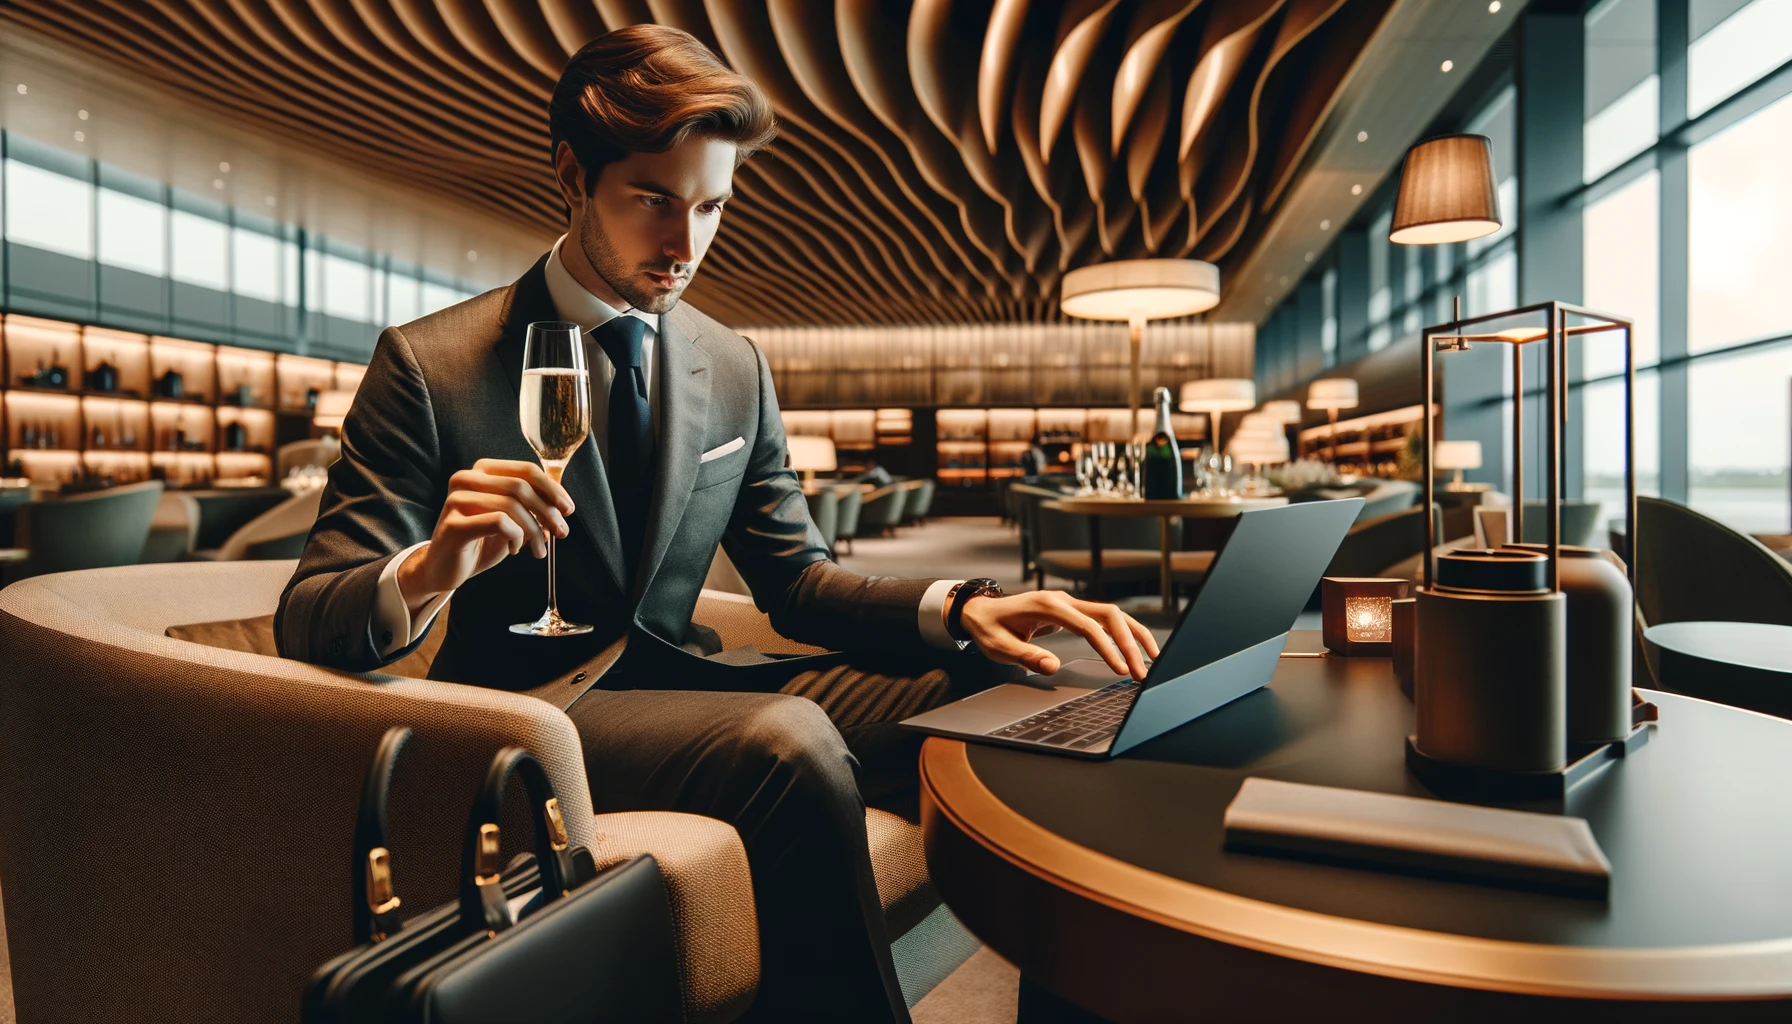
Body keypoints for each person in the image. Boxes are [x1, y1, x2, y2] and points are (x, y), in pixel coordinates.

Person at [276, 25, 1157, 1023]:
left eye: (711, 206)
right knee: (781, 742)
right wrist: (430, 568)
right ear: (572, 176)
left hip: (690, 682)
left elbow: (797, 579)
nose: (683, 243)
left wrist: (959, 605)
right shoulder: (430, 366)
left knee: (1031, 695)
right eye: (652, 199)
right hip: (533, 713)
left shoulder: (731, 362)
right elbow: (310, 614)